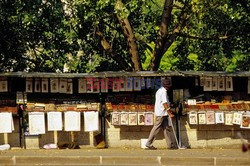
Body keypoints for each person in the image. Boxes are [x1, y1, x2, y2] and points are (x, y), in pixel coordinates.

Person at [145, 79, 175, 150]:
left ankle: (170, 144)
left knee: (166, 128)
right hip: (161, 113)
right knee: (156, 128)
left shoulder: (159, 90)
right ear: (167, 86)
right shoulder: (163, 92)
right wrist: (170, 113)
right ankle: (148, 143)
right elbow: (164, 103)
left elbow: (165, 102)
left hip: (163, 113)